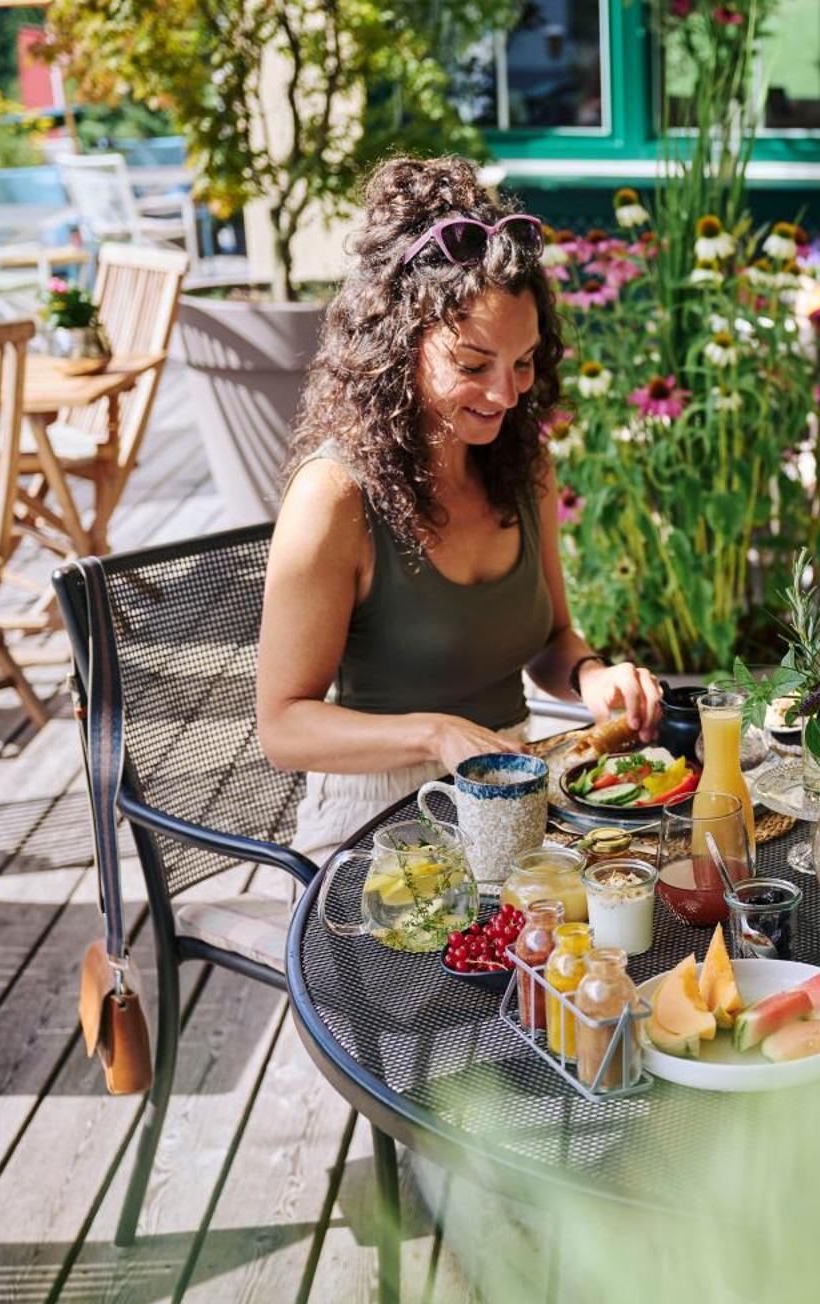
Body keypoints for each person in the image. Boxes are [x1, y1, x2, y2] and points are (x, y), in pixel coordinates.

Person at [258, 157, 663, 860]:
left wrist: (593, 676)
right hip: (373, 816)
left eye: (526, 361)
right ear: (398, 345)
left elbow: (551, 639)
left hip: (520, 783)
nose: (506, 396)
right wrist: (435, 733)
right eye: (474, 366)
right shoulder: (335, 498)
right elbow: (283, 727)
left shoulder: (524, 465)